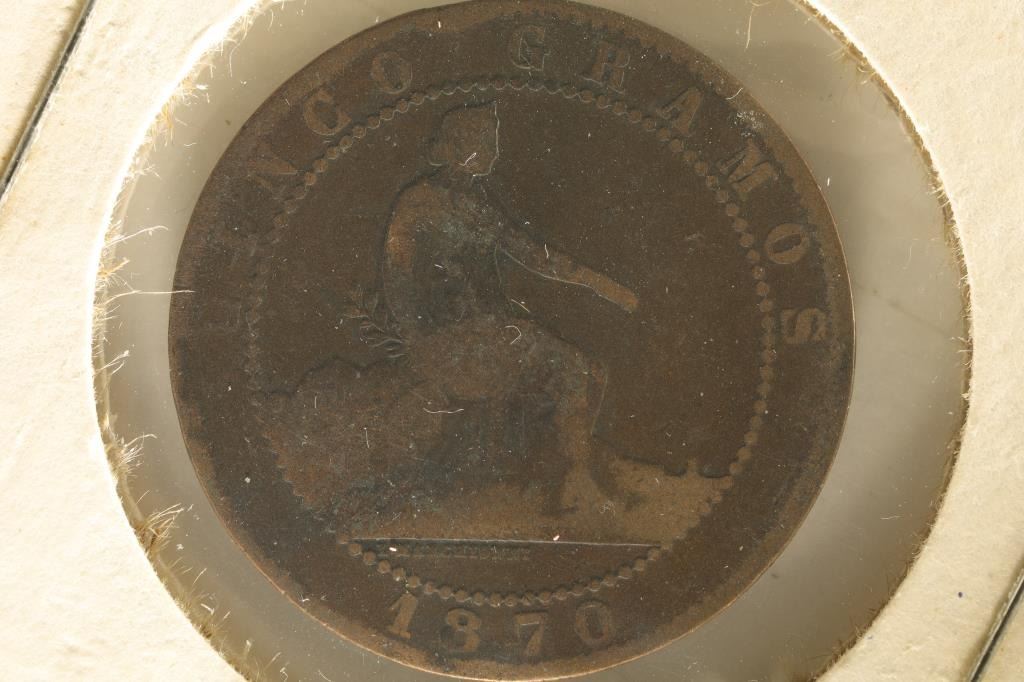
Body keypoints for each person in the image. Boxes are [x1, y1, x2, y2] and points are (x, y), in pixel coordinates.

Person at [380, 103, 637, 515]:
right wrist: (418, 342)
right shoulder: (421, 202)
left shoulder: (475, 202)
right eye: (486, 141)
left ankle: (553, 480)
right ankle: (573, 481)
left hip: (488, 334)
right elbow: (398, 276)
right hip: (452, 342)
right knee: (576, 371)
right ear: (460, 146)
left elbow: (534, 256)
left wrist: (602, 285)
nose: (495, 150)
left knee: (589, 372)